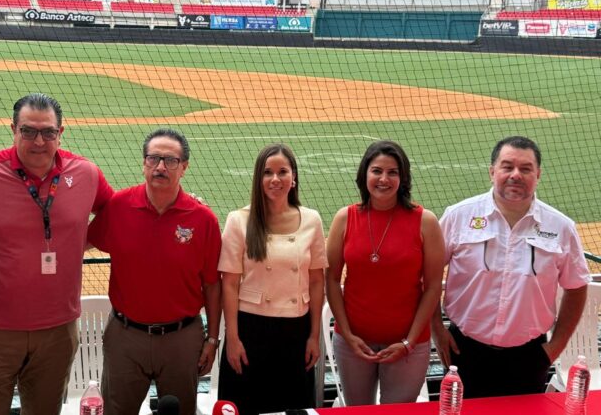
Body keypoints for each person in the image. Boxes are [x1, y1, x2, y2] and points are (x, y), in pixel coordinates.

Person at [0, 93, 114, 414]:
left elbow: (117, 215)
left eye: (48, 132)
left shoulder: (86, 173)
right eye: (28, 131)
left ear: (61, 133)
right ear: (13, 129)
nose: (39, 141)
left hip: (59, 329)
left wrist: (76, 243)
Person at [431, 136, 590, 398]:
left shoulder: (561, 227)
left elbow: (577, 286)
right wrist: (437, 330)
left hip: (530, 357)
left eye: (526, 168)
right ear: (492, 171)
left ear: (538, 175)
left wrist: (555, 347)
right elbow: (428, 276)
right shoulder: (458, 216)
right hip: (463, 351)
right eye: (507, 167)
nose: (516, 175)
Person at [86, 128, 222, 415]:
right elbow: (80, 242)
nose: (161, 166)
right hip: (125, 336)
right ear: (143, 163)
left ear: (184, 167)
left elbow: (212, 284)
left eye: (171, 160)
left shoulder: (203, 219)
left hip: (181, 338)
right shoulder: (118, 206)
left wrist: (212, 339)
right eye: (154, 158)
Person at [325, 140, 445, 406]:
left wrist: (409, 342)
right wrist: (348, 335)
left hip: (408, 346)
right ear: (364, 174)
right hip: (354, 344)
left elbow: (433, 287)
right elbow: (331, 280)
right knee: (358, 411)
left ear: (403, 178)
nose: (384, 179)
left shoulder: (425, 222)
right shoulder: (344, 218)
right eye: (377, 171)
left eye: (393, 172)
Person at [217, 143, 327, 415]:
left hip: (296, 332)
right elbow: (229, 283)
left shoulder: (311, 219)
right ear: (259, 178)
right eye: (267, 172)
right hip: (250, 332)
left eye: (282, 172)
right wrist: (232, 338)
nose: (275, 179)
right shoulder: (238, 220)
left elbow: (317, 281)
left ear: (294, 177)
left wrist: (314, 336)